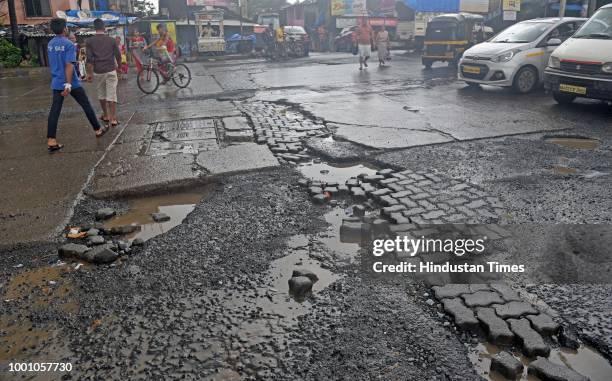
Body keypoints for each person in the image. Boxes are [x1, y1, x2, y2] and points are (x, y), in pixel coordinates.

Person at [45, 18, 106, 153]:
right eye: (66, 27)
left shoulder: (50, 44)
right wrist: (67, 84)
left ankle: (51, 140)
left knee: (55, 110)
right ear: (64, 29)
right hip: (70, 82)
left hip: (56, 82)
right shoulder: (68, 44)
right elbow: (69, 65)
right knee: (86, 105)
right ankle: (98, 129)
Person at [86, 18, 122, 127]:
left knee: (102, 94)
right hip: (111, 70)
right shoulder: (111, 40)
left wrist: (89, 74)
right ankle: (114, 119)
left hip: (98, 71)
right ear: (104, 27)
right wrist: (119, 67)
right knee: (112, 94)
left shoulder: (90, 41)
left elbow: (89, 59)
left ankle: (106, 115)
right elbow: (118, 56)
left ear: (94, 28)